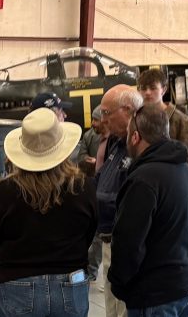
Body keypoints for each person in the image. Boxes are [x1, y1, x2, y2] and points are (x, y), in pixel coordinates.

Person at [0, 108, 96, 317]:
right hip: (70, 282)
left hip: (17, 283)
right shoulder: (83, 187)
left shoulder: (5, 191)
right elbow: (89, 233)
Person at [109, 103, 188, 317]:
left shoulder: (144, 180)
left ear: (136, 137)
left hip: (155, 293)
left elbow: (129, 241)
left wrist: (119, 282)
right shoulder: (185, 170)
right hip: (184, 283)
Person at [96, 84, 143, 317]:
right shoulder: (115, 142)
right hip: (108, 239)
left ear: (128, 110)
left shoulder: (140, 148)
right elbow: (102, 181)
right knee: (112, 306)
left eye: (107, 113)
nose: (102, 119)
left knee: (125, 306)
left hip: (125, 241)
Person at [137, 69, 188, 175]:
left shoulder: (182, 122)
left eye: (153, 88)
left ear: (164, 89)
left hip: (171, 185)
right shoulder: (136, 119)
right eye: (143, 88)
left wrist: (178, 187)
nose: (148, 92)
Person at [77, 107, 107, 281]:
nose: (93, 123)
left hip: (104, 191)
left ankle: (91, 270)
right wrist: (88, 161)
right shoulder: (88, 137)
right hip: (91, 186)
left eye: (96, 120)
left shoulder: (115, 139)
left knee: (98, 234)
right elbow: (81, 157)